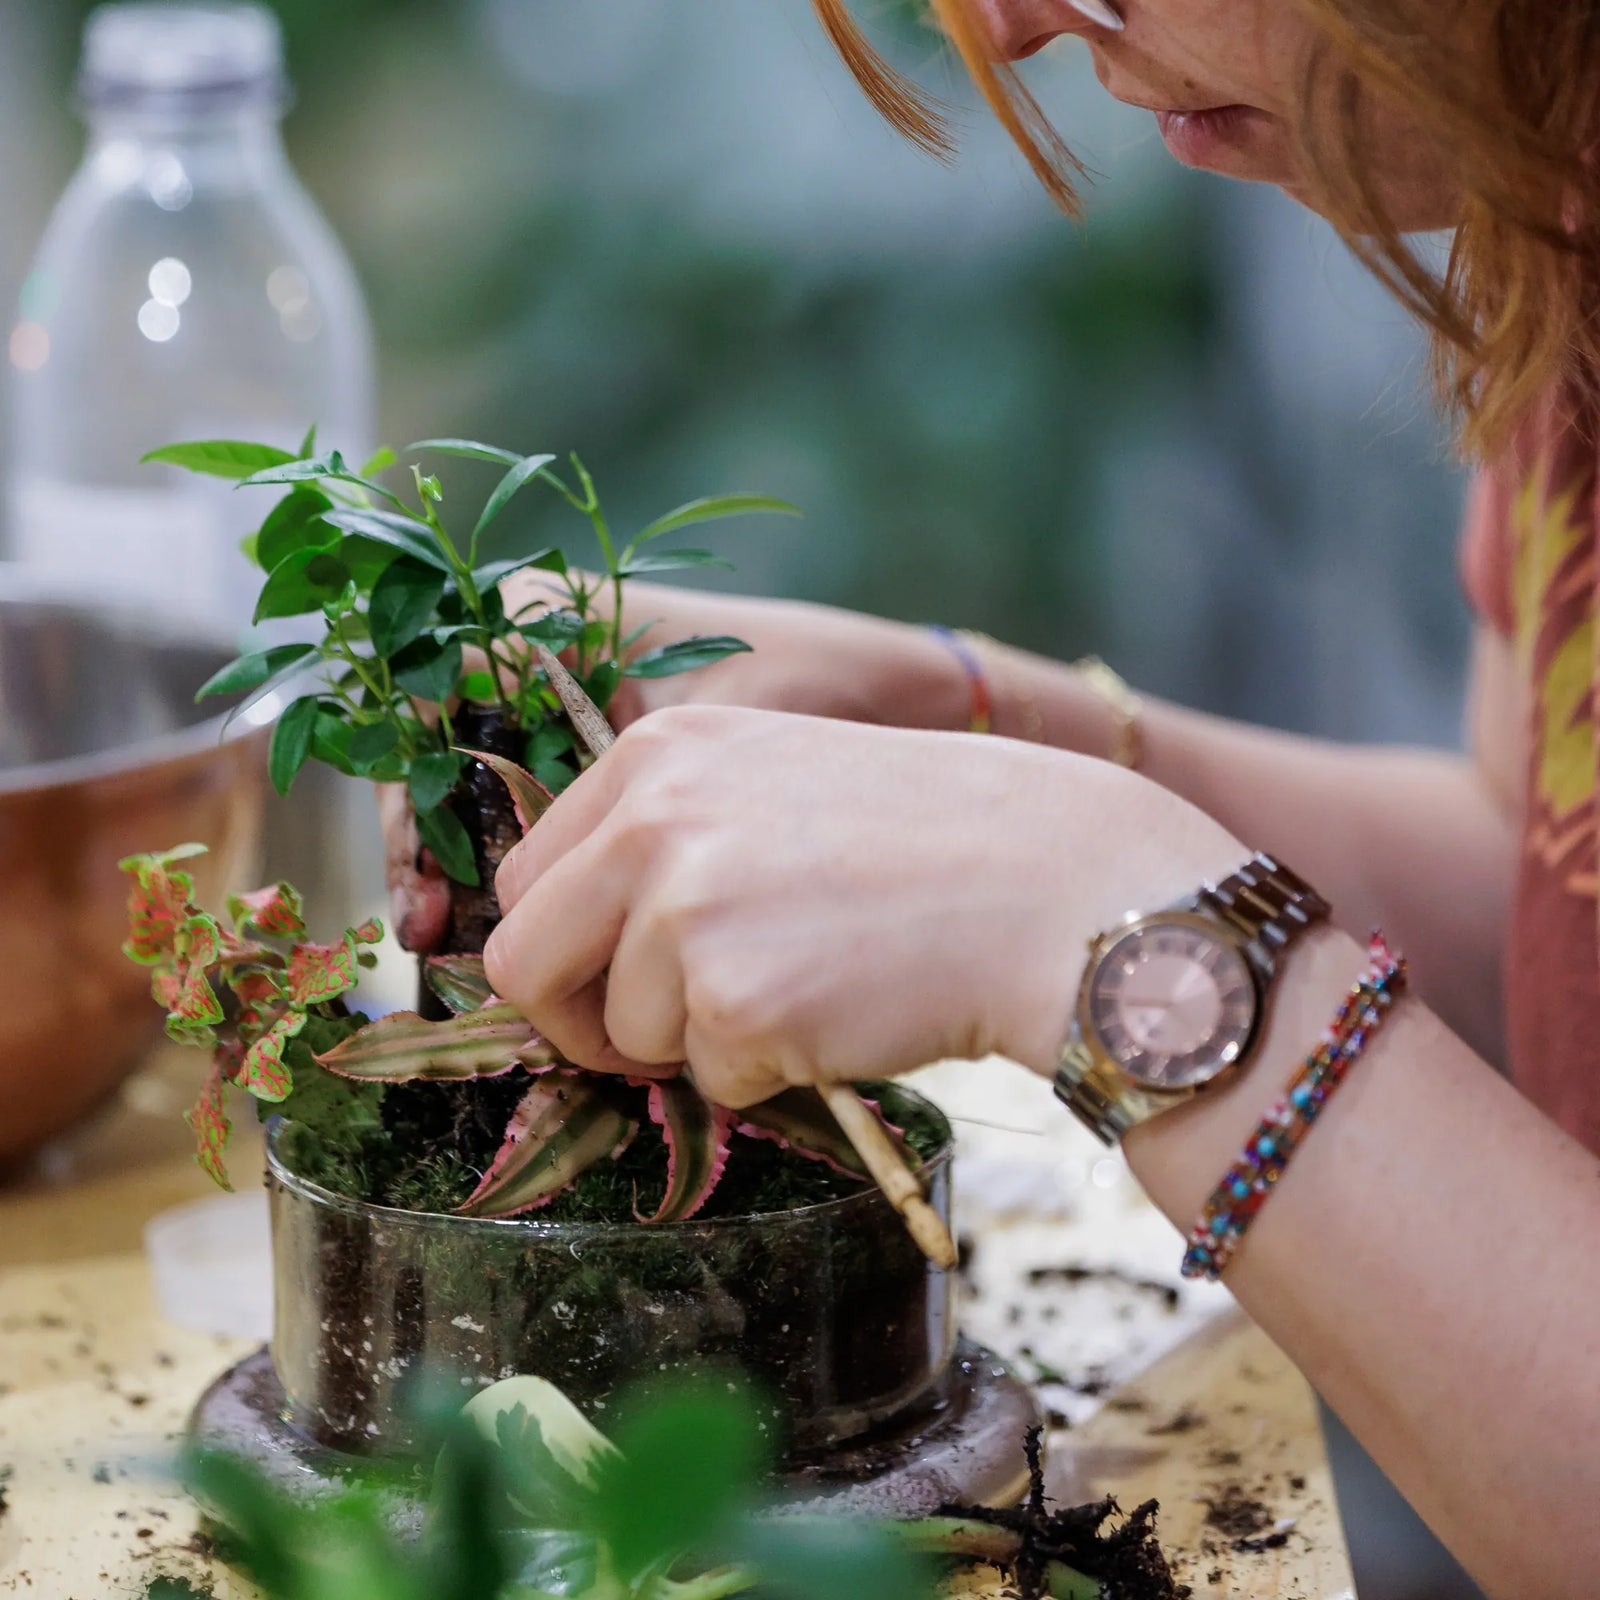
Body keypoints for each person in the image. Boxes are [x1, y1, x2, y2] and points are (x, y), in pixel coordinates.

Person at [386, 3, 1600, 1595]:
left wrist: (1107, 927)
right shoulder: (1558, 214)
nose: (1021, 24)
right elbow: (1544, 921)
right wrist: (991, 726)